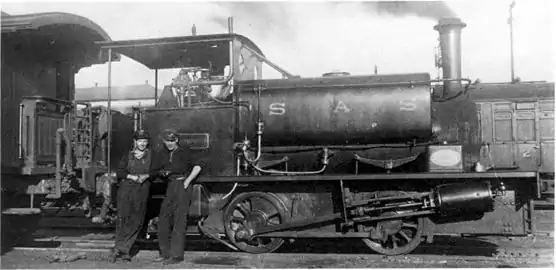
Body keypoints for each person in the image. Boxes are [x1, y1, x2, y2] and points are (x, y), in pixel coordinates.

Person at [151, 129, 202, 265]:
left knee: (179, 220)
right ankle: (164, 253)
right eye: (167, 141)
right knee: (163, 219)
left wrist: (187, 181)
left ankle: (176, 255)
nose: (170, 144)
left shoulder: (185, 152)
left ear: (177, 140)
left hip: (182, 185)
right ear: (164, 141)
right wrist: (162, 173)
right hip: (170, 185)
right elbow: (155, 169)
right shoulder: (162, 153)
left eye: (172, 141)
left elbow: (197, 167)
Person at [110, 130, 153, 262]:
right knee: (123, 218)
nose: (142, 144)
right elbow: (120, 172)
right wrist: (133, 177)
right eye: (140, 141)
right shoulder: (127, 155)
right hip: (126, 189)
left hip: (142, 189)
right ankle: (118, 248)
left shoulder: (151, 156)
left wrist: (147, 175)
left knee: (137, 218)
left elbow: (156, 170)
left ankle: (126, 248)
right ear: (135, 142)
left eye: (145, 141)